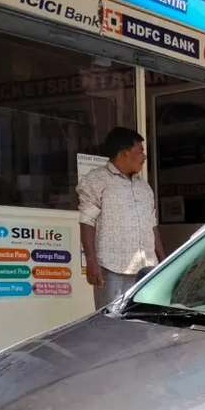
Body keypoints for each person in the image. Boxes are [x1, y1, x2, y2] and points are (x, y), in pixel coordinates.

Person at [78, 127, 164, 309]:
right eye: (140, 151)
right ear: (124, 153)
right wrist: (91, 262)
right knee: (111, 323)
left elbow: (152, 225)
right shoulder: (96, 181)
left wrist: (163, 260)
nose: (144, 156)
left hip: (147, 268)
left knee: (145, 322)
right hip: (112, 268)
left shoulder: (144, 187)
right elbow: (87, 222)